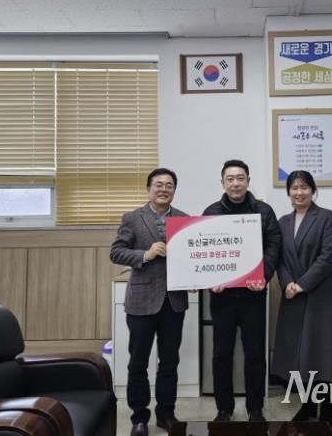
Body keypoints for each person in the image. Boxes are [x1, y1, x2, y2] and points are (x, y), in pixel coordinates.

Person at [110, 168, 188, 436]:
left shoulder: (185, 219)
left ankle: (166, 413)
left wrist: (194, 277)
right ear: (148, 189)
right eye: (158, 184)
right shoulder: (132, 218)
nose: (164, 189)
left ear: (174, 190)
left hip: (174, 301)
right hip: (141, 301)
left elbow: (192, 257)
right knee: (138, 362)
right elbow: (116, 252)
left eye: (169, 185)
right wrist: (146, 254)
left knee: (169, 362)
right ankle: (139, 417)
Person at [203, 159, 282, 423]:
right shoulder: (211, 212)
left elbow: (274, 245)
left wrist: (263, 274)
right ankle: (223, 408)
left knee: (255, 353)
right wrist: (210, 278)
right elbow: (204, 249)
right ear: (222, 183)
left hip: (253, 295)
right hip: (222, 296)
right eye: (230, 179)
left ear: (248, 181)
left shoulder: (263, 211)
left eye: (240, 178)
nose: (235, 183)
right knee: (221, 354)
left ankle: (255, 408)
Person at [272, 170, 332, 426]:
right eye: (294, 188)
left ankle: (328, 407)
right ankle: (309, 405)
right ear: (288, 192)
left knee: (322, 351)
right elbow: (279, 259)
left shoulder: (326, 218)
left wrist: (301, 284)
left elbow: (327, 258)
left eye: (304, 187)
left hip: (319, 295)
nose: (299, 192)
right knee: (300, 355)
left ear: (313, 190)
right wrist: (287, 283)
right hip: (292, 295)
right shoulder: (283, 222)